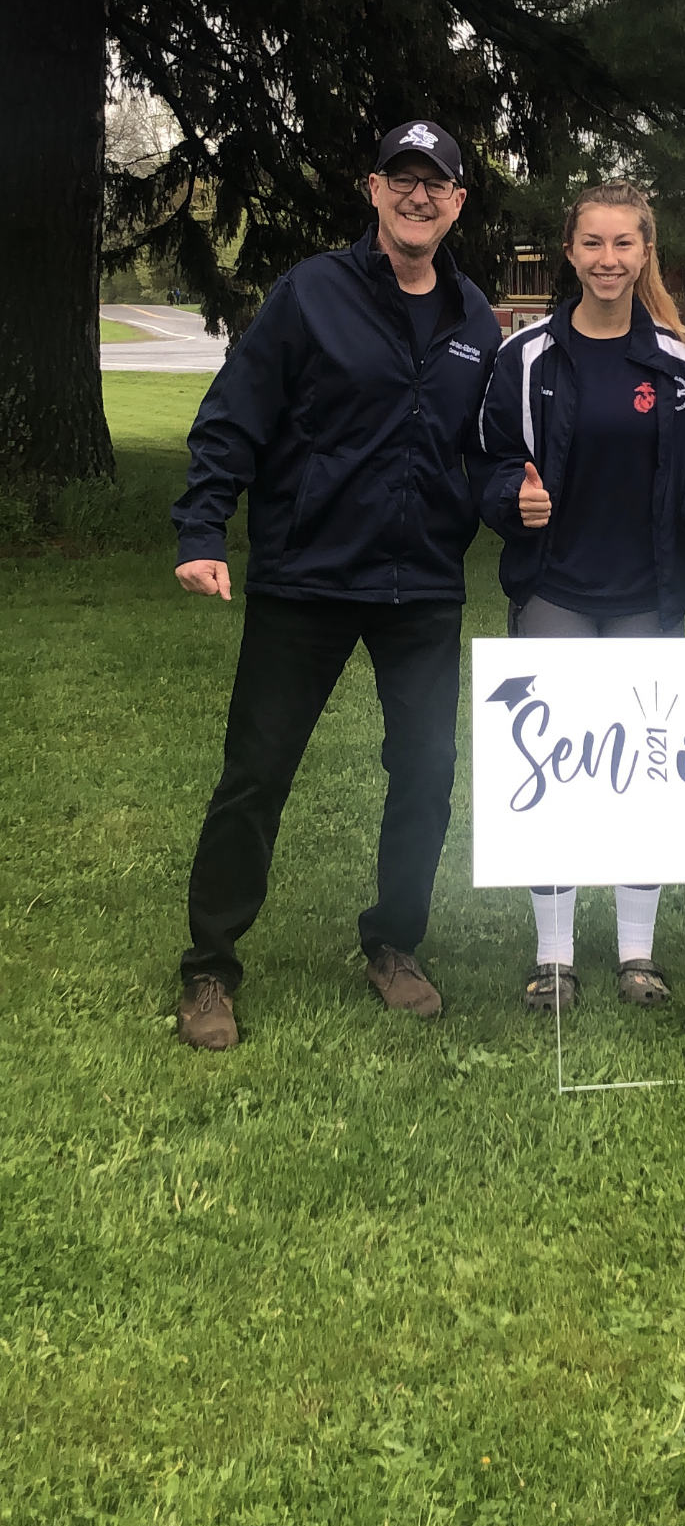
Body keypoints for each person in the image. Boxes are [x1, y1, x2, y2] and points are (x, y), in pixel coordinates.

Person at [171, 121, 500, 1049]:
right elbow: (234, 414)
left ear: (457, 202)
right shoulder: (311, 292)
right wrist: (203, 527)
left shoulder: (475, 318)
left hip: (421, 585)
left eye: (436, 183)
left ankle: (393, 942)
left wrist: (517, 501)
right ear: (373, 190)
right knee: (256, 774)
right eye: (402, 178)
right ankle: (209, 965)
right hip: (307, 578)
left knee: (427, 775)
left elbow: (487, 451)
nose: (418, 195)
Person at [477, 180, 685, 1012]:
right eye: (592, 243)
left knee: (644, 776)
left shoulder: (680, 359)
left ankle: (637, 956)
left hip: (644, 596)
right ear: (569, 251)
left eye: (624, 243)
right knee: (550, 772)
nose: (608, 260)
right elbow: (485, 463)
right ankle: (552, 958)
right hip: (554, 587)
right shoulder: (524, 359)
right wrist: (506, 503)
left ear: (645, 252)